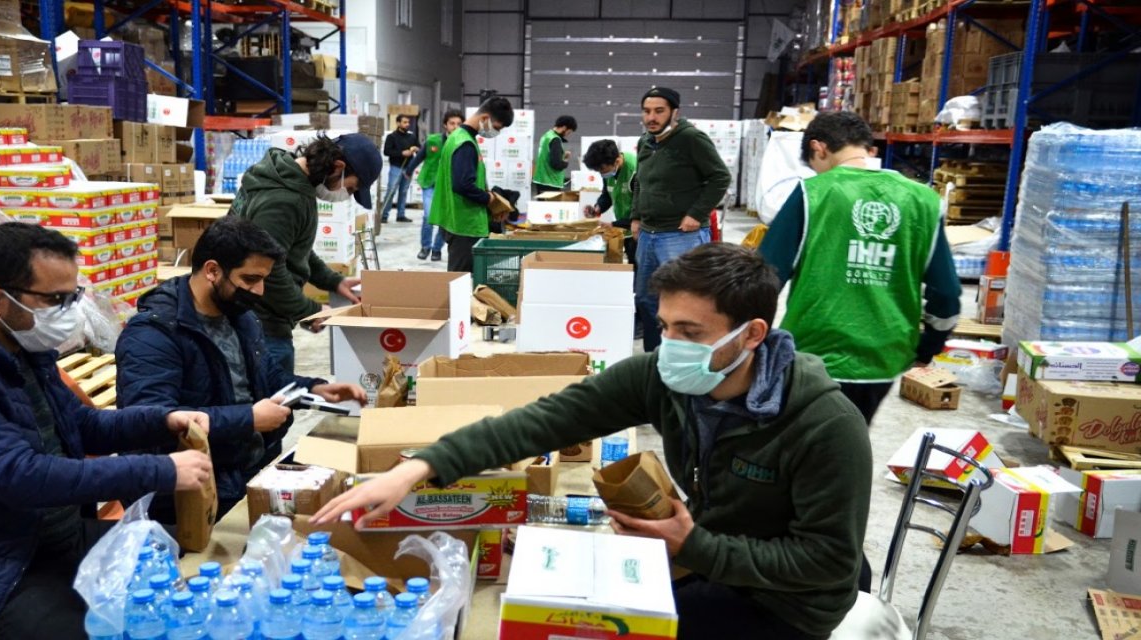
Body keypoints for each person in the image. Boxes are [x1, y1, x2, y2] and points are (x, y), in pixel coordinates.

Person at [312, 243, 872, 640]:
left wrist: (694, 547)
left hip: (787, 604)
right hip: (712, 553)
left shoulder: (824, 425)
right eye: (666, 326)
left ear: (751, 334)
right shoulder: (663, 376)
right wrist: (420, 466)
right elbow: (546, 421)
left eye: (691, 333)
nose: (671, 344)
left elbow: (827, 564)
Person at [0, 222, 213, 640]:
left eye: (72, 296)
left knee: (177, 563)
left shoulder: (22, 350)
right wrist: (160, 469)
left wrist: (162, 419)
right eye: (55, 299)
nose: (69, 310)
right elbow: (19, 475)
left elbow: (83, 425)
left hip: (53, 536)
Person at [116, 217, 366, 522]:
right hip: (190, 494)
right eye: (249, 279)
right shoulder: (154, 334)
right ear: (212, 270)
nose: (259, 291)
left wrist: (312, 388)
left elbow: (265, 378)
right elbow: (150, 420)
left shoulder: (239, 314)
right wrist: (248, 419)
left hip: (246, 471)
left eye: (264, 279)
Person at [758, 111, 961, 425]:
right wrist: (928, 346)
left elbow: (763, 278)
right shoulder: (924, 200)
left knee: (800, 448)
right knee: (848, 440)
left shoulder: (812, 193)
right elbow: (946, 294)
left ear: (819, 149)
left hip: (814, 353)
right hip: (885, 357)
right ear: (870, 151)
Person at [230, 133, 380, 376]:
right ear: (338, 167)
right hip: (260, 324)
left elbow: (288, 249)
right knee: (275, 407)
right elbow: (267, 272)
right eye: (350, 188)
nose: (346, 195)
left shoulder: (288, 178)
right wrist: (308, 310)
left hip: (259, 317)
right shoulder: (284, 199)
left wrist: (333, 280)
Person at [632, 87, 732, 352]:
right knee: (646, 299)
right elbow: (639, 182)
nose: (651, 117)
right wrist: (636, 216)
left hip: (680, 235)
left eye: (659, 111)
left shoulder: (691, 138)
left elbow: (720, 176)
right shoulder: (646, 142)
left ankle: (687, 354)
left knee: (684, 300)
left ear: (675, 112)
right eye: (647, 111)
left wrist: (696, 214)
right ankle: (655, 356)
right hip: (649, 234)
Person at [429, 96, 515, 273]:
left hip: (459, 220)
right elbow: (462, 185)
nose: (495, 133)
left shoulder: (459, 137)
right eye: (496, 127)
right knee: (460, 280)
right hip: (464, 224)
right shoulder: (465, 144)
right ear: (484, 118)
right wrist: (489, 199)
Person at [408, 109, 463, 261]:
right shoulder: (433, 140)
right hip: (430, 183)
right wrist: (408, 170)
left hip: (449, 186)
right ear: (445, 125)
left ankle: (437, 249)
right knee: (428, 216)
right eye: (452, 123)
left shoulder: (463, 144)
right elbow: (419, 157)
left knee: (444, 220)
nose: (455, 127)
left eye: (459, 124)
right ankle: (425, 247)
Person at [380, 114, 419, 223]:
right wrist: (402, 153)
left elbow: (419, 147)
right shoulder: (392, 137)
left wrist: (416, 148)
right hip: (396, 167)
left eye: (408, 122)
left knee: (403, 192)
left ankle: (401, 215)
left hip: (408, 168)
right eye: (404, 122)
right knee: (391, 191)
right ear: (398, 123)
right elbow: (387, 151)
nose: (407, 124)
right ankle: (384, 215)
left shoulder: (412, 137)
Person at [532, 114, 577, 194]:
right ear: (564, 128)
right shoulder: (555, 140)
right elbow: (556, 164)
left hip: (541, 179)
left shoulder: (546, 136)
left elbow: (547, 156)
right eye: (569, 132)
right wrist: (565, 160)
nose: (567, 135)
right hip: (550, 182)